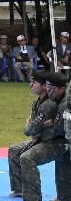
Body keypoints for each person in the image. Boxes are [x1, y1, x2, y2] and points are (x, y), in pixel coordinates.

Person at [8, 71, 68, 200]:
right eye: (47, 85)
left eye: (50, 87)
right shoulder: (40, 101)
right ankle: (20, 190)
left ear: (61, 88)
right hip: (48, 139)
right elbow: (32, 128)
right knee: (14, 150)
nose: (48, 89)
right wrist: (42, 126)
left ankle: (33, 198)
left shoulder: (61, 105)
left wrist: (39, 128)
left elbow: (55, 131)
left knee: (27, 158)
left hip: (59, 142)